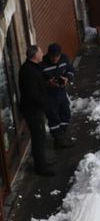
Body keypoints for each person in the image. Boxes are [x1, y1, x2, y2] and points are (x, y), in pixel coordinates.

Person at [19, 45, 55, 176]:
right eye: (40, 52)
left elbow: (38, 84)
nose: (42, 54)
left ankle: (42, 162)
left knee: (40, 136)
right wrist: (44, 103)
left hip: (35, 109)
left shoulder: (32, 67)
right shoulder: (29, 71)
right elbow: (32, 94)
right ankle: (41, 167)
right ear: (35, 55)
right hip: (33, 111)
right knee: (38, 138)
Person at [40, 43, 75, 149]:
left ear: (60, 54)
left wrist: (67, 78)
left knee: (66, 114)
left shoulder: (64, 59)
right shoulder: (42, 64)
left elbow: (71, 70)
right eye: (52, 56)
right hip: (49, 95)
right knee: (53, 117)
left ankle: (62, 136)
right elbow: (37, 81)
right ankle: (58, 139)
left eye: (57, 56)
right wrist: (47, 83)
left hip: (60, 91)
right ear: (48, 54)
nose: (54, 58)